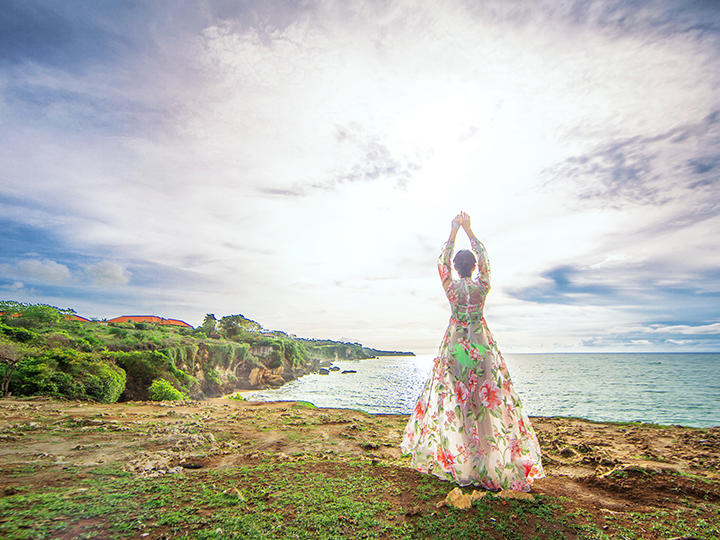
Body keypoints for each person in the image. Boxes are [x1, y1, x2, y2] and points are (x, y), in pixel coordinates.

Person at [400, 211, 545, 491]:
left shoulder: (452, 289)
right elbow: (486, 263)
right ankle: (490, 463)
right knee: (485, 403)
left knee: (460, 403)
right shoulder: (482, 287)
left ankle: (465, 463)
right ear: (474, 267)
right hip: (480, 346)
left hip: (457, 348)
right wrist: (470, 231)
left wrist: (453, 232)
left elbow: (441, 263)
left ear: (456, 268)